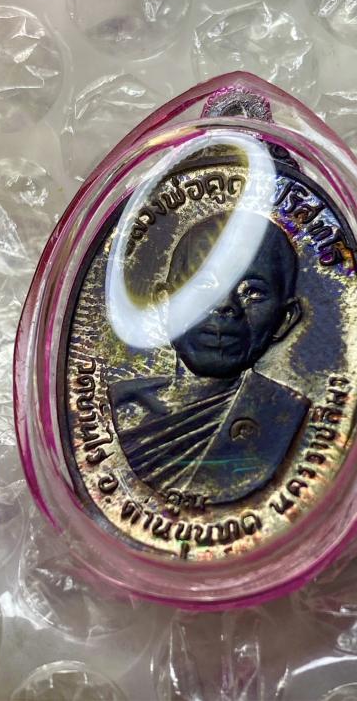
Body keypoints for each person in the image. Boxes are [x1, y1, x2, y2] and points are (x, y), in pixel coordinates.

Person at [109, 213, 310, 505]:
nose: (225, 305)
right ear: (164, 303)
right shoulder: (119, 405)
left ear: (284, 319)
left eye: (253, 292)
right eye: (202, 284)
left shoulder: (284, 415)